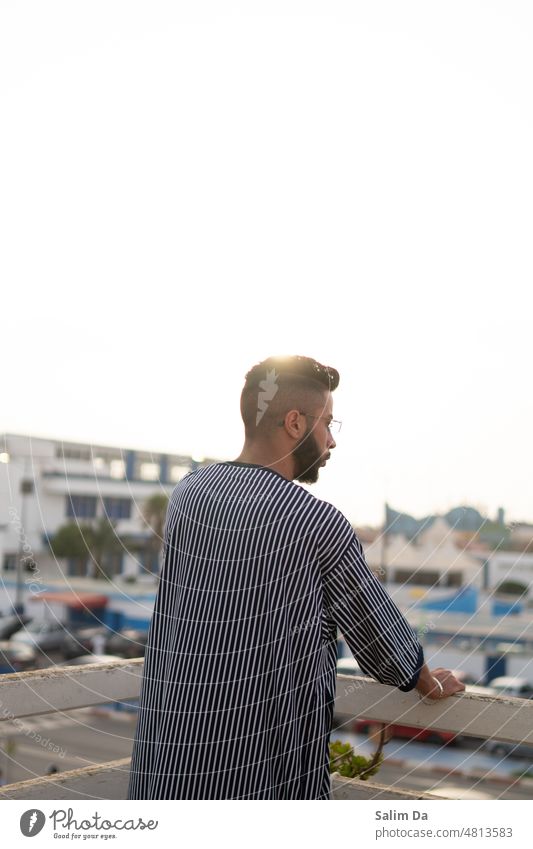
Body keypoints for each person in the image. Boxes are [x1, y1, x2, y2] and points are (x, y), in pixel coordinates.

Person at [127, 355, 464, 800]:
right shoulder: (317, 522)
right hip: (262, 779)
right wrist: (424, 677)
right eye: (327, 423)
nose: (331, 441)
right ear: (293, 422)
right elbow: (377, 635)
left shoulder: (189, 494)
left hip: (167, 767)